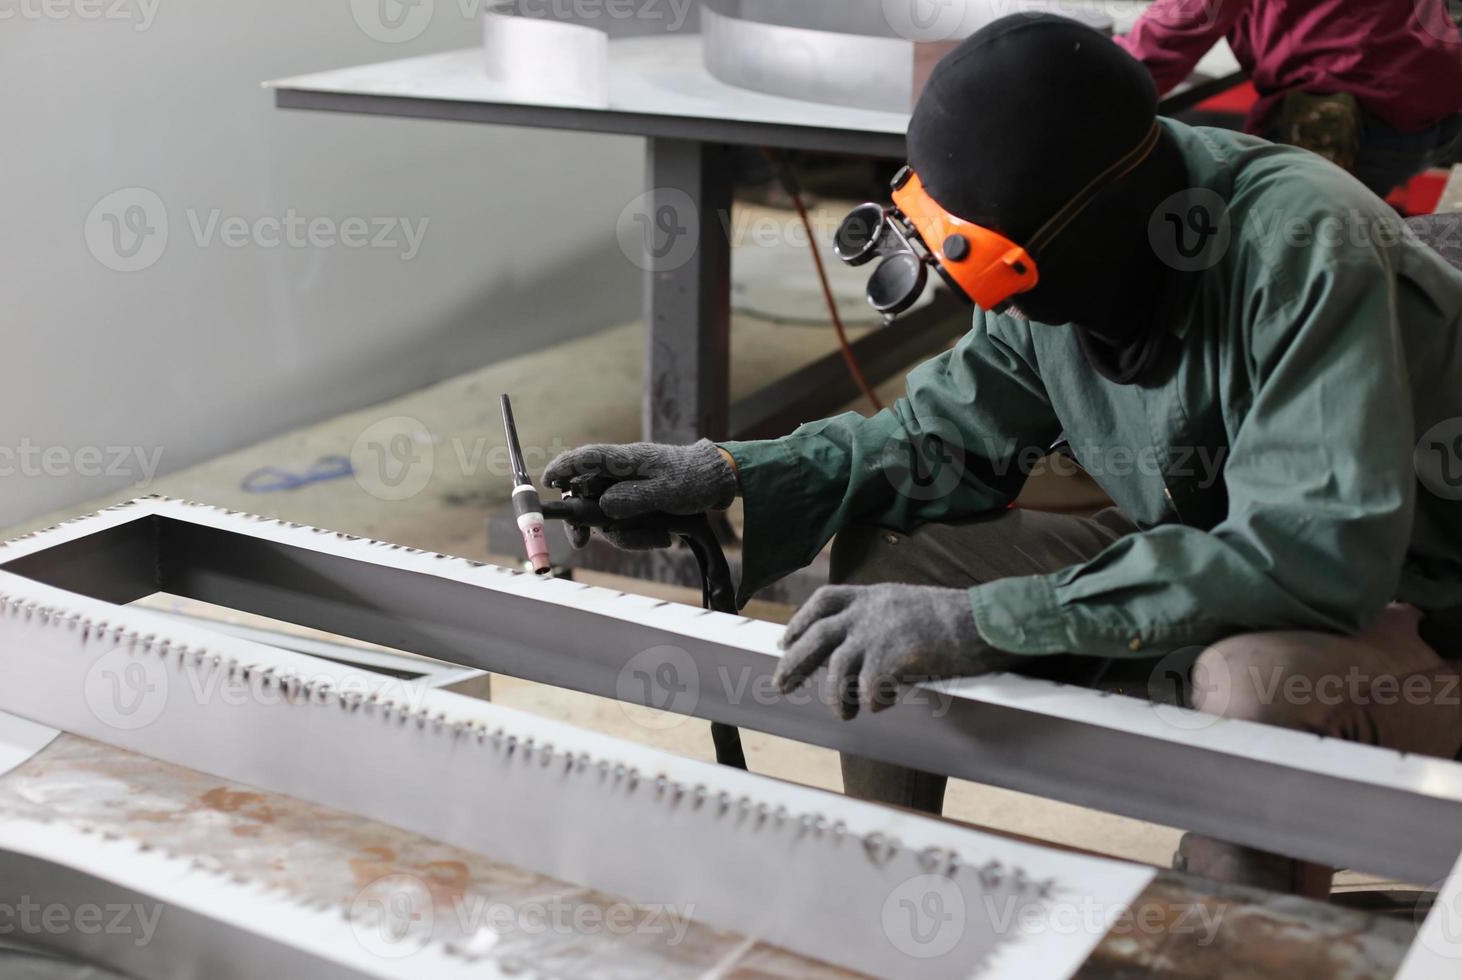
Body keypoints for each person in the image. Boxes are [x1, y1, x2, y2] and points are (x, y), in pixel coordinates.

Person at [543, 13, 1462, 897]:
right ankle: (894, 897)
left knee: (1252, 687)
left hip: (1418, 609)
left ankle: (1242, 943)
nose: (1000, 310)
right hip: (1224, 552)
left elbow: (1307, 557)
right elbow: (933, 440)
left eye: (999, 278)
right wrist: (730, 475)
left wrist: (989, 621)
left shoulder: (1304, 246)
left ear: (1078, 241)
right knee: (891, 570)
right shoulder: (1067, 225)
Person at [1114, 0, 1462, 197]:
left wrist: (1096, 76)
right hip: (1428, 91)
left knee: (1269, 247)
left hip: (1359, 114)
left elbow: (1187, 20)